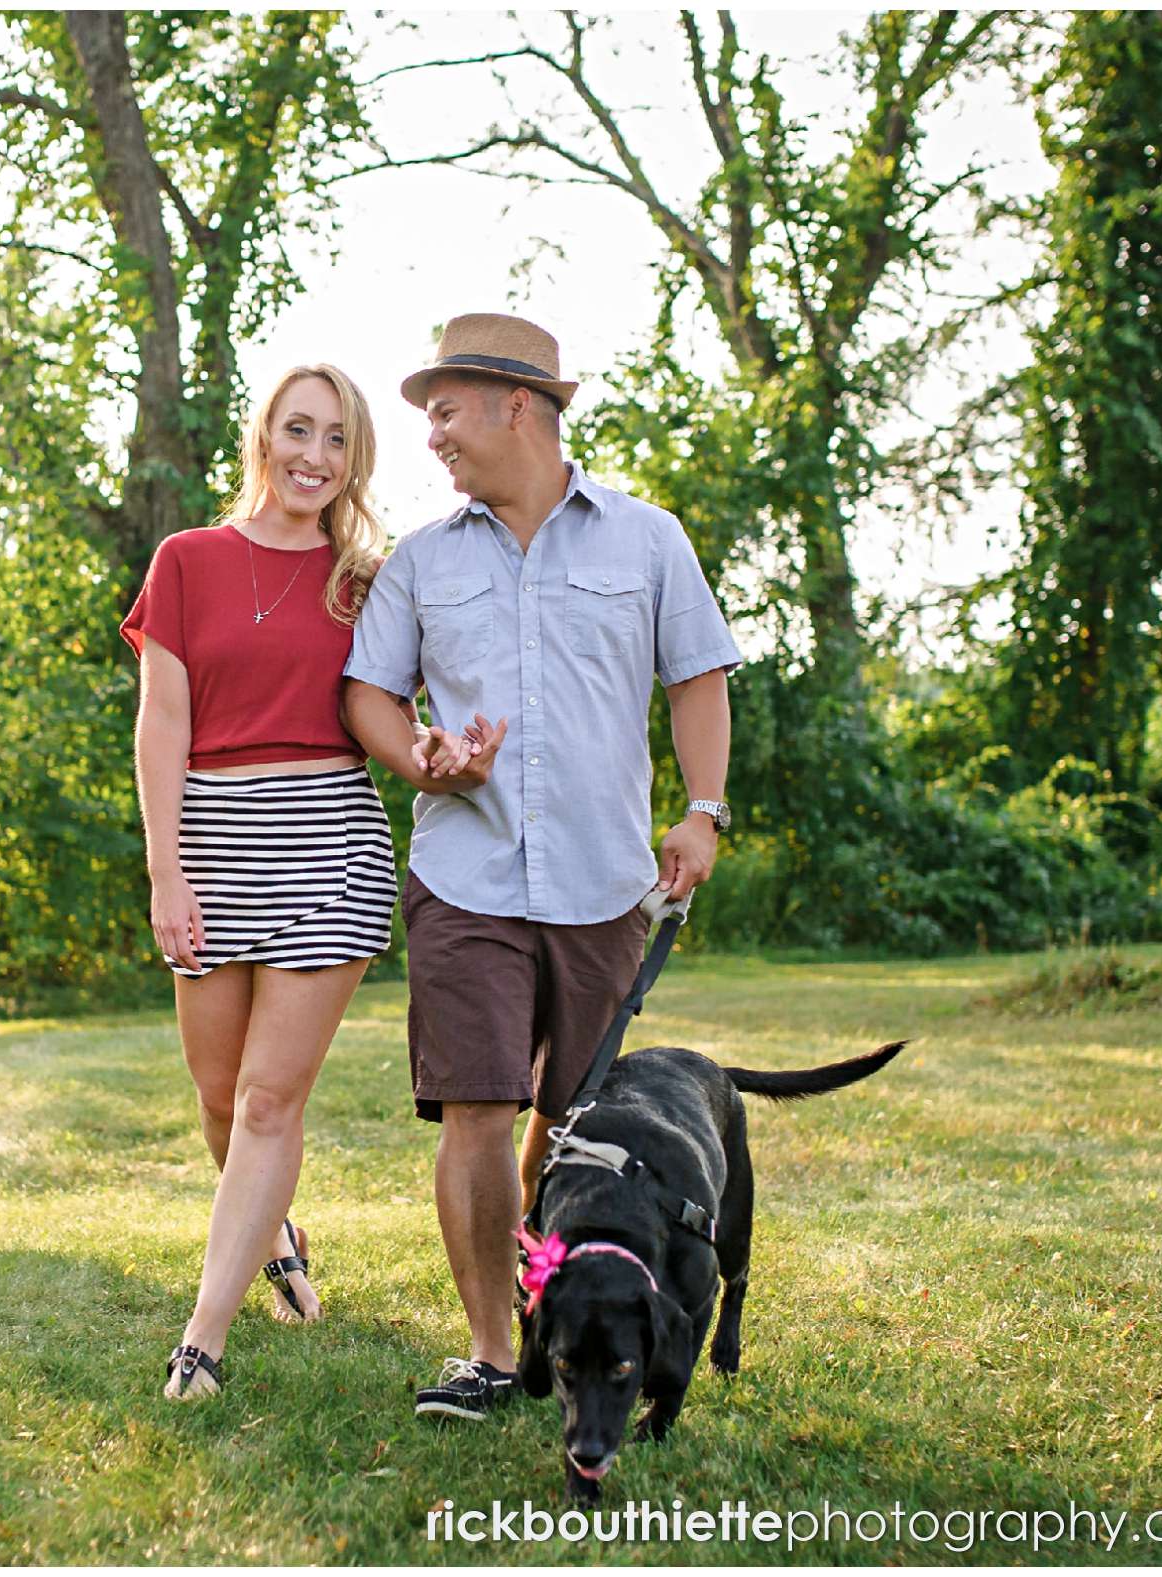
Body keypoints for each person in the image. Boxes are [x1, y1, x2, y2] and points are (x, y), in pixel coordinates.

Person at [340, 313, 744, 1422]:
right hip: (464, 874)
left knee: (574, 1121)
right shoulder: (422, 560)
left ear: (518, 405)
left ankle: (560, 1313)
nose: (431, 437)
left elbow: (696, 677)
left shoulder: (646, 540)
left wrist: (701, 810)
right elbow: (369, 692)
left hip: (604, 884)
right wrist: (414, 756)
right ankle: (484, 1348)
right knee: (475, 1106)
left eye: (444, 411)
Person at [123, 363, 396, 1401]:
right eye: (297, 431)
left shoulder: (366, 579)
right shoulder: (186, 560)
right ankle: (274, 1232)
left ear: (352, 460)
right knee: (216, 1096)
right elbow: (161, 724)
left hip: (329, 843)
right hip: (211, 843)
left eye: (335, 440)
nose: (312, 457)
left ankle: (203, 1338)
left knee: (269, 1099)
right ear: (262, 438)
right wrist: (166, 868)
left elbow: (403, 702)